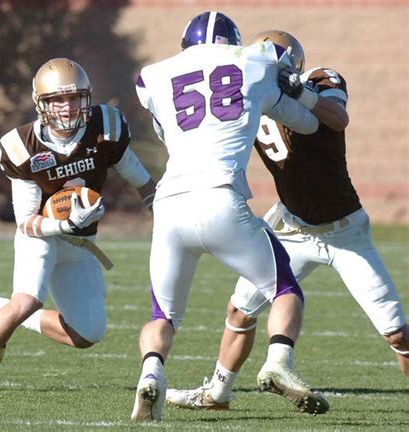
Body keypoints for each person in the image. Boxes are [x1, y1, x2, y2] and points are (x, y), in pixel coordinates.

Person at [166, 29, 409, 412]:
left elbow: (338, 118)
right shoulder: (249, 98)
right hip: (292, 228)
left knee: (398, 333)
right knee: (239, 310)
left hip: (344, 232)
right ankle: (217, 393)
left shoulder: (320, 80)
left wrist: (297, 89)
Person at [130, 13, 330, 422]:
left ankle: (151, 372)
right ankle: (278, 361)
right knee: (285, 289)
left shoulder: (154, 75)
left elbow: (158, 114)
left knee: (163, 316)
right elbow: (307, 123)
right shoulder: (257, 61)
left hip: (170, 204)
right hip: (221, 197)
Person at [0, 58, 156, 392]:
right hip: (42, 236)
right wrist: (64, 224)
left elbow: (144, 184)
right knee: (28, 298)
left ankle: (7, 312)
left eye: (74, 98)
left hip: (80, 244)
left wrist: (163, 218)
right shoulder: (22, 146)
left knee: (89, 333)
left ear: (86, 98)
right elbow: (25, 223)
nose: (67, 107)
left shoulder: (107, 128)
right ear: (41, 103)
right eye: (57, 99)